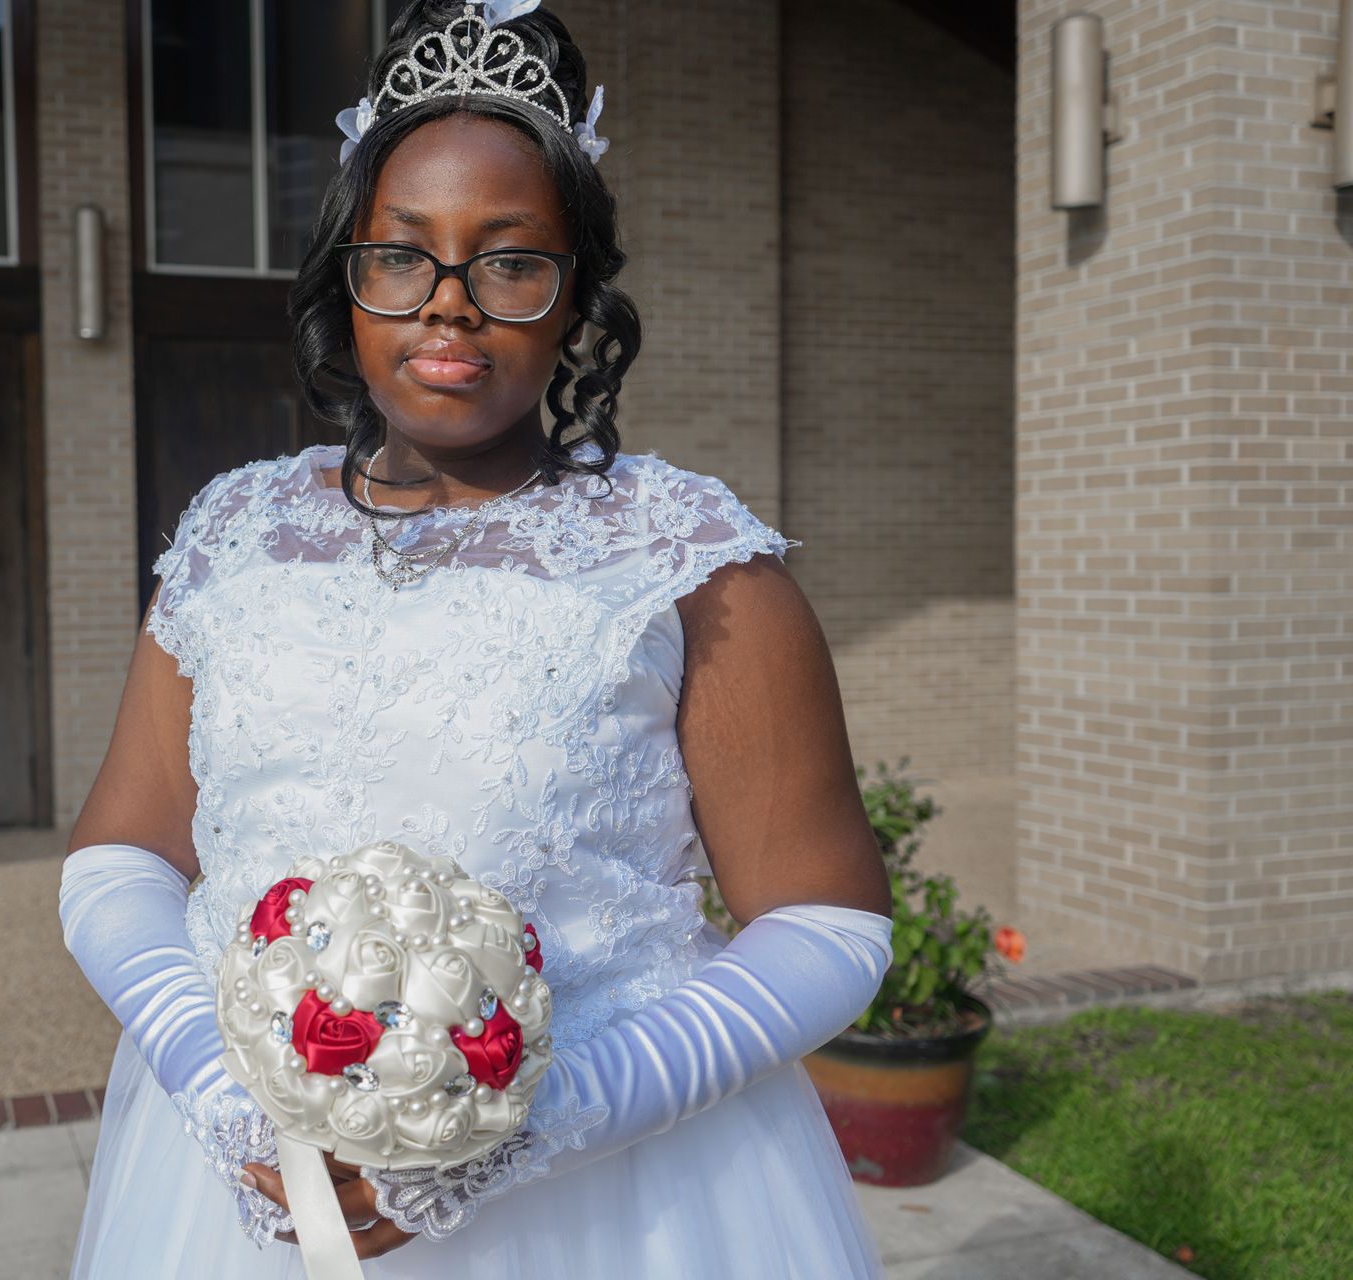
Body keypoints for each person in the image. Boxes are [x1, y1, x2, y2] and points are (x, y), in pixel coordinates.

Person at [57, 2, 896, 1275]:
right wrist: (217, 1076)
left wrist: (527, 1124)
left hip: (614, 1202)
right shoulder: (235, 535)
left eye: (508, 262)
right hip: (239, 1192)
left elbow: (828, 926)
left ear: (574, 300)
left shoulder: (693, 567)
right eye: (402, 256)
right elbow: (119, 856)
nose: (447, 308)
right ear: (349, 280)